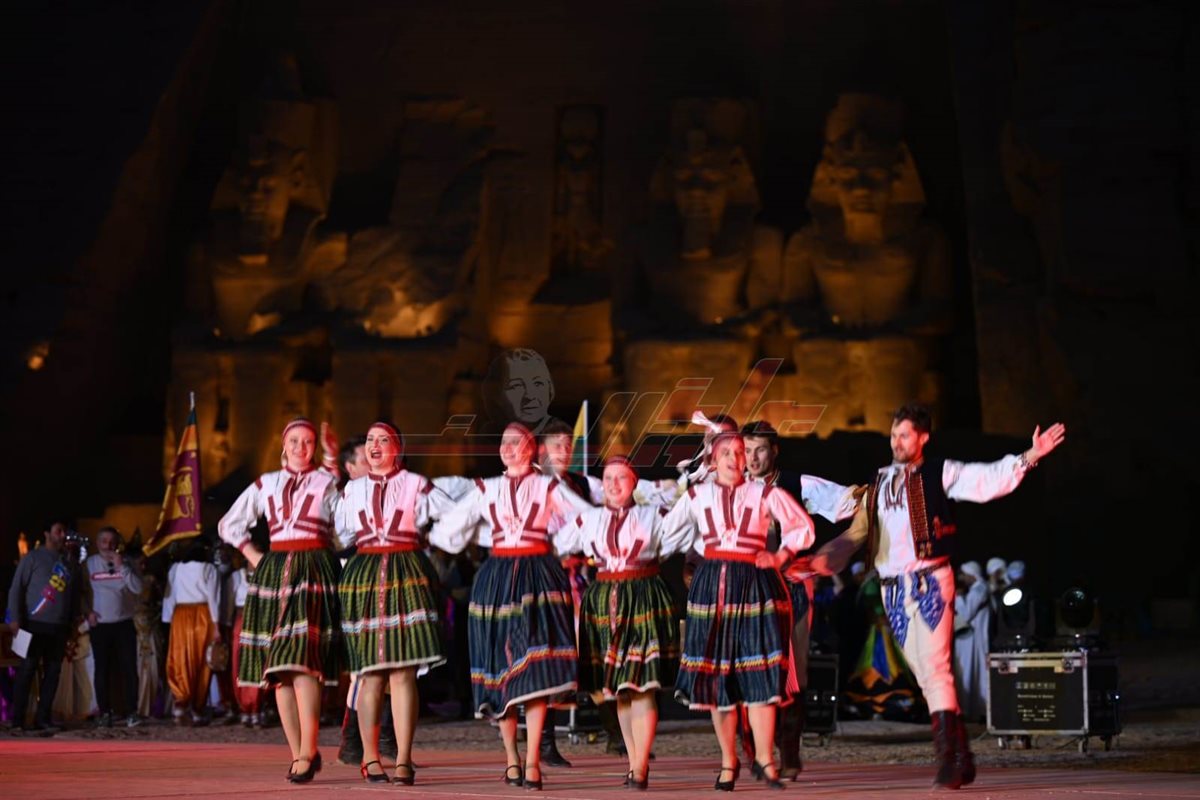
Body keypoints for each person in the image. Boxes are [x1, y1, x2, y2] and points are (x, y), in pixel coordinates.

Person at [812, 404, 1066, 789]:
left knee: (935, 668)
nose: (897, 442)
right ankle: (961, 756)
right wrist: (827, 555)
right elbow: (857, 531)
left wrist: (1030, 455)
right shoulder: (879, 481)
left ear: (923, 437)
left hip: (928, 581)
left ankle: (949, 759)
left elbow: (984, 479)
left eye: (904, 435)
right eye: (894, 435)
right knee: (923, 672)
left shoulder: (939, 472)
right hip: (892, 588)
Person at [429, 422, 593, 791]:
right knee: (500, 669)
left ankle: (532, 759)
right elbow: (450, 530)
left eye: (516, 442)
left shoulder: (548, 486)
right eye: (504, 441)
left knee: (536, 667)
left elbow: (585, 517)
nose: (508, 447)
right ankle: (511, 759)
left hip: (539, 574)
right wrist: (482, 535)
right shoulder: (487, 488)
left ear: (532, 448)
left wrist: (559, 543)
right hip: (497, 576)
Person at [668, 430, 816, 791]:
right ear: (713, 460)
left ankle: (766, 759)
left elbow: (803, 527)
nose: (736, 459)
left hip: (754, 584)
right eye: (727, 454)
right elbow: (665, 534)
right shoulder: (697, 496)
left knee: (759, 671)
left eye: (740, 453)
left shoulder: (763, 493)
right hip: (712, 587)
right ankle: (727, 761)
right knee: (718, 679)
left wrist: (780, 555)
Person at [554, 455, 693, 789]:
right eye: (608, 478)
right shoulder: (589, 518)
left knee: (642, 685)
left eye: (621, 478)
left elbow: (682, 535)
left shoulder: (654, 515)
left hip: (644, 595)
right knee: (621, 690)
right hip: (604, 600)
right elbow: (558, 543)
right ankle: (633, 761)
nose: (614, 484)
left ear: (634, 483)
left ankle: (640, 766)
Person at [218, 417, 343, 783]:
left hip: (313, 570)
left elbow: (346, 525)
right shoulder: (266, 483)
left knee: (302, 662)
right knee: (279, 671)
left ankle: (308, 749)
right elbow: (228, 524)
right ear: (283, 445)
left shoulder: (326, 481)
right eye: (294, 441)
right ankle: (299, 752)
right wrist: (253, 554)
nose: (301, 447)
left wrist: (333, 461)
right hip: (275, 573)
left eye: (308, 441)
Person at [335, 422, 453, 785]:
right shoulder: (353, 489)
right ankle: (370, 756)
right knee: (371, 672)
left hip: (406, 572)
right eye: (370, 439)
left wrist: (429, 537)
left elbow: (453, 516)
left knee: (403, 672)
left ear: (397, 448)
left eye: (383, 439)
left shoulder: (416, 483)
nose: (375, 445)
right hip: (367, 574)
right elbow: (341, 532)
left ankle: (403, 758)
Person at [742, 420, 860, 779]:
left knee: (795, 667)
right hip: (746, 588)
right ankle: (756, 750)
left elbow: (847, 501)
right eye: (747, 450)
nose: (753, 458)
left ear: (774, 451)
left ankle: (790, 749)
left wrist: (869, 499)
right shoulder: (731, 487)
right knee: (748, 666)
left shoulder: (797, 484)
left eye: (760, 450)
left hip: (791, 584)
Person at [7, 521, 79, 733]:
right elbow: (16, 588)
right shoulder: (32, 558)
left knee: (53, 672)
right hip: (33, 623)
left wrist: (72, 621)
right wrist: (14, 618)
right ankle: (18, 720)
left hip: (59, 626)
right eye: (58, 531)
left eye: (64, 531)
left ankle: (43, 718)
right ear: (47, 533)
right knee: (27, 670)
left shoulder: (68, 562)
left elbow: (73, 594)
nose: (62, 535)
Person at [84, 526, 144, 728]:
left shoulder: (127, 563)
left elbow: (138, 588)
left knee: (129, 669)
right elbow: (81, 592)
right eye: (104, 541)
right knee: (102, 670)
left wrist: (122, 568)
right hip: (100, 626)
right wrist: (87, 613)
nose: (108, 546)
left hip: (124, 624)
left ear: (117, 544)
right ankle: (105, 712)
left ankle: (132, 712)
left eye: (112, 542)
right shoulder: (89, 564)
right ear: (97, 543)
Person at [162, 540, 221, 726]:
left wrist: (168, 620)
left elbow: (169, 596)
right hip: (202, 615)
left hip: (180, 616)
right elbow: (213, 598)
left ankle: (181, 703)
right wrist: (217, 625)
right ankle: (196, 708)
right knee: (202, 661)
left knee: (180, 658)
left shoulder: (176, 569)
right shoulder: (209, 569)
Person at [952, 562, 990, 721]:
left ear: (971, 573)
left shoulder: (979, 589)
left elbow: (966, 613)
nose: (962, 578)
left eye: (964, 574)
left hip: (974, 639)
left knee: (972, 673)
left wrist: (959, 597)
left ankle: (972, 711)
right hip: (971, 640)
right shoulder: (978, 589)